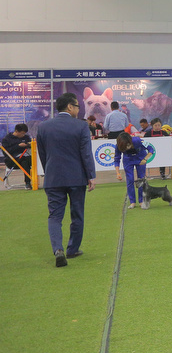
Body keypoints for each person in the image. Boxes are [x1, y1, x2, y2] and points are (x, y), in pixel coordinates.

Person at [36, 93, 96, 267]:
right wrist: (91, 175)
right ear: (70, 107)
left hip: (53, 178)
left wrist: (49, 171)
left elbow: (42, 154)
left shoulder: (43, 127)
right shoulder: (81, 126)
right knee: (77, 214)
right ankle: (72, 249)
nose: (78, 109)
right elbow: (86, 153)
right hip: (76, 177)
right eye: (77, 106)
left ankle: (58, 250)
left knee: (54, 216)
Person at [114, 132, 150, 209]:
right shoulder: (118, 146)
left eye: (127, 145)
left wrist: (145, 159)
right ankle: (132, 202)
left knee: (141, 179)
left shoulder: (138, 140)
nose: (127, 148)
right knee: (130, 180)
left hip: (140, 158)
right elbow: (117, 159)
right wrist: (118, 173)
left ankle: (141, 200)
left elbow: (151, 149)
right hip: (128, 160)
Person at [2, 123, 32, 187]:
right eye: (22, 133)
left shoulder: (26, 138)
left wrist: (28, 145)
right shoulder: (7, 139)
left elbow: (31, 144)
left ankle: (29, 182)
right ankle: (28, 183)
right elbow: (6, 152)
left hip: (25, 158)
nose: (23, 135)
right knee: (24, 161)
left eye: (24, 133)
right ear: (16, 131)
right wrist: (18, 146)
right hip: (12, 161)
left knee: (25, 161)